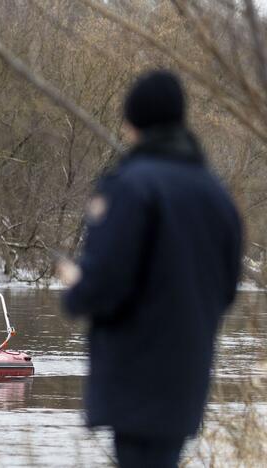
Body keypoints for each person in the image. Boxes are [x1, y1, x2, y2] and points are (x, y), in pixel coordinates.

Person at [58, 70, 242, 468]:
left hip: (135, 378)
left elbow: (105, 281)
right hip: (187, 376)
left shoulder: (130, 186)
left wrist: (75, 289)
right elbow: (226, 288)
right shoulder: (216, 194)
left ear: (132, 120)